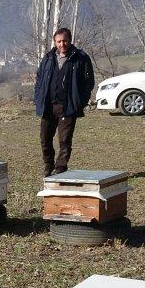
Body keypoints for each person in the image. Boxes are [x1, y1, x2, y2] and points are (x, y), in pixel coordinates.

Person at [33, 27, 95, 177]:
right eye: (59, 41)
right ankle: (48, 165)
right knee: (44, 138)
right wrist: (38, 98)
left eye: (65, 41)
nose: (62, 44)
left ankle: (61, 167)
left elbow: (88, 82)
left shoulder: (80, 57)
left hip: (67, 106)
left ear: (70, 40)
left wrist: (80, 101)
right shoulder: (48, 58)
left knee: (65, 139)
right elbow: (39, 79)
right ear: (55, 42)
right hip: (48, 106)